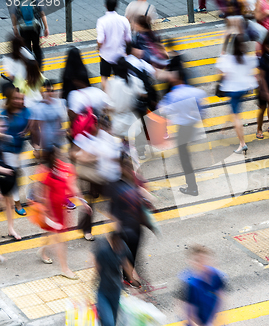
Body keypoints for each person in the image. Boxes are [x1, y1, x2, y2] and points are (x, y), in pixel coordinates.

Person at [36, 148, 92, 280]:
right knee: (61, 240)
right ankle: (64, 269)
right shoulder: (46, 173)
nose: (60, 155)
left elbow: (72, 186)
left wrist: (83, 201)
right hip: (53, 212)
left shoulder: (61, 167)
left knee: (51, 232)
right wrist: (49, 214)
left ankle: (42, 251)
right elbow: (43, 196)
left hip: (60, 210)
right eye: (57, 154)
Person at [107, 154, 155, 288]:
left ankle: (127, 277)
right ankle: (127, 278)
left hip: (134, 225)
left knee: (131, 254)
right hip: (128, 227)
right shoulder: (118, 186)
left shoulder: (131, 181)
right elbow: (114, 210)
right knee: (127, 254)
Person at [72, 116, 122, 241]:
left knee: (115, 199)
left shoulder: (106, 137)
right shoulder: (83, 137)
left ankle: (117, 225)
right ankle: (86, 230)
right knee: (89, 204)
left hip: (105, 175)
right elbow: (73, 154)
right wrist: (92, 157)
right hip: (91, 176)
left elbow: (116, 155)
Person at [159, 68, 206, 196]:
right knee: (185, 155)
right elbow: (202, 109)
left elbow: (163, 110)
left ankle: (192, 187)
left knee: (184, 158)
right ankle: (192, 186)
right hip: (192, 126)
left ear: (177, 79)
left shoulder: (172, 95)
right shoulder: (196, 92)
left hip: (183, 129)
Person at [216, 34, 258, 154]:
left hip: (233, 90)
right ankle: (223, 130)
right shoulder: (246, 58)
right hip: (244, 89)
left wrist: (225, 41)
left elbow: (220, 72)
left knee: (236, 117)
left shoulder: (228, 59)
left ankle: (242, 144)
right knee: (234, 108)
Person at [2, 87, 32, 223]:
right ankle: (17, 204)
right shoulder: (4, 114)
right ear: (10, 99)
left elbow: (30, 123)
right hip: (7, 151)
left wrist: (26, 131)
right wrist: (7, 138)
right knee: (14, 177)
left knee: (19, 175)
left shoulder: (26, 111)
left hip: (19, 150)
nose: (19, 101)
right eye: (16, 98)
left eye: (21, 98)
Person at [179, 245, 226, 326]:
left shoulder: (216, 276)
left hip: (210, 319)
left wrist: (219, 319)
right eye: (198, 260)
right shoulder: (191, 284)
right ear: (191, 262)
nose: (202, 263)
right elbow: (187, 312)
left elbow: (221, 296)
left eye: (204, 259)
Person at [94, 233, 135, 326]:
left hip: (116, 292)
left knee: (113, 320)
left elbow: (126, 265)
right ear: (111, 242)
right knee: (109, 323)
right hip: (103, 292)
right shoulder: (104, 253)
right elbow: (97, 268)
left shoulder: (123, 250)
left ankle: (101, 319)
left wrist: (133, 282)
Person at [96, 0, 132, 91]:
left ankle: (106, 97)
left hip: (106, 55)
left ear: (105, 6)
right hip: (120, 55)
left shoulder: (101, 21)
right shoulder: (124, 20)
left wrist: (98, 47)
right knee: (120, 78)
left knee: (104, 77)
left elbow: (100, 40)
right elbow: (128, 39)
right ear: (117, 6)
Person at [105, 57, 145, 140]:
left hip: (118, 126)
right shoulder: (135, 80)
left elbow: (110, 106)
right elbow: (143, 94)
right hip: (134, 124)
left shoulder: (112, 83)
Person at [9, 0, 49, 67]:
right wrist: (46, 27)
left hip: (23, 28)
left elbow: (13, 15)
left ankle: (30, 70)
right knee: (36, 47)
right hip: (35, 27)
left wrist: (15, 29)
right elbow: (42, 13)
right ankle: (39, 69)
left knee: (27, 49)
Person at [31, 80, 68, 160]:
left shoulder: (60, 103)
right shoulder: (38, 107)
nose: (49, 94)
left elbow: (60, 121)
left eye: (51, 91)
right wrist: (37, 148)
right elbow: (34, 128)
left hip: (57, 141)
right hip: (46, 143)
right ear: (41, 93)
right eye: (46, 91)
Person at [0, 113, 18, 246]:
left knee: (8, 201)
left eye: (4, 126)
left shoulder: (4, 139)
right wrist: (4, 170)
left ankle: (11, 228)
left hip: (2, 175)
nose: (2, 128)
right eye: (0, 126)